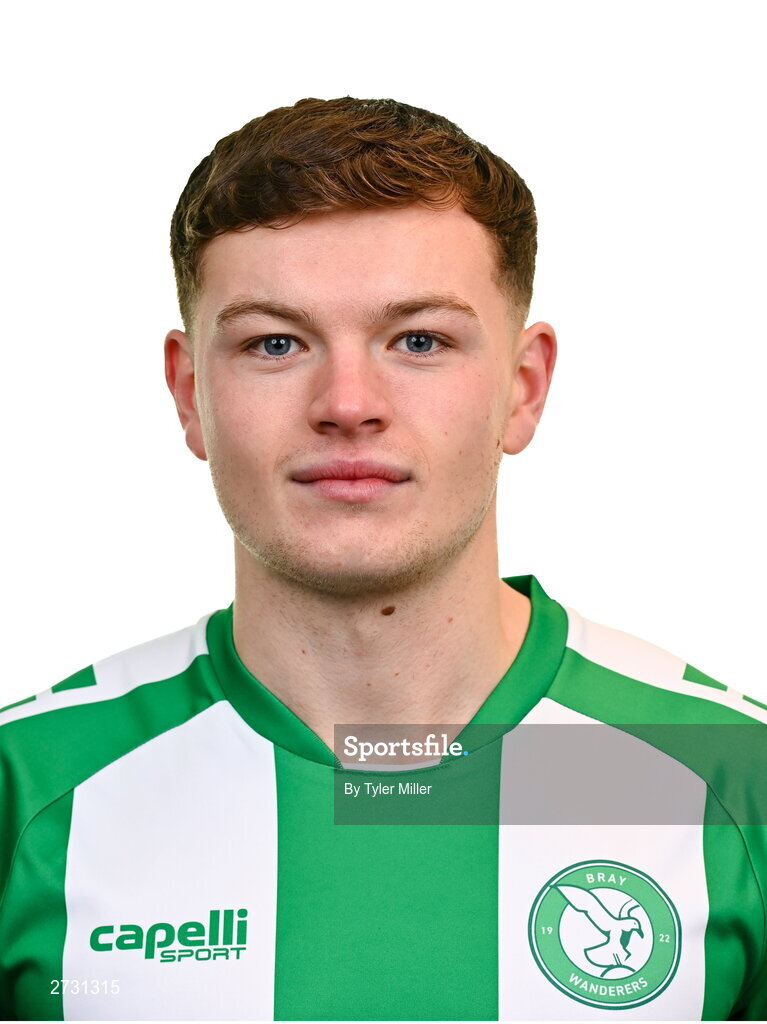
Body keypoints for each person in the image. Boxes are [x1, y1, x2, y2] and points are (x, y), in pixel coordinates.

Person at [0, 96, 765, 1022]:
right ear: (190, 392)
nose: (348, 403)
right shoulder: (29, 788)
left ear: (522, 390)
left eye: (419, 341)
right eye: (274, 343)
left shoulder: (727, 772)